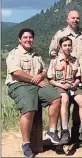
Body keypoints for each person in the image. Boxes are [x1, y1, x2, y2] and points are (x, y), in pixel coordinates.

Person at [5, 28, 61, 157]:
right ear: (19, 39)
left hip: (36, 84)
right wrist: (34, 80)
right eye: (25, 37)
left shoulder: (36, 54)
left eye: (30, 37)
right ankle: (26, 144)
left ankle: (52, 131)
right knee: (29, 108)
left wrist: (41, 76)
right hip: (18, 85)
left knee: (56, 97)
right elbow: (16, 73)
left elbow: (44, 70)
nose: (28, 40)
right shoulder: (14, 54)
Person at [47, 37, 82, 145]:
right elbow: (50, 79)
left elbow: (78, 77)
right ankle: (65, 131)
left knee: (81, 100)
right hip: (60, 86)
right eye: (65, 45)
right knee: (65, 100)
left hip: (72, 86)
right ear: (60, 47)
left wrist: (75, 84)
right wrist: (59, 84)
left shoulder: (74, 60)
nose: (67, 47)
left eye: (69, 45)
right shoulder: (55, 61)